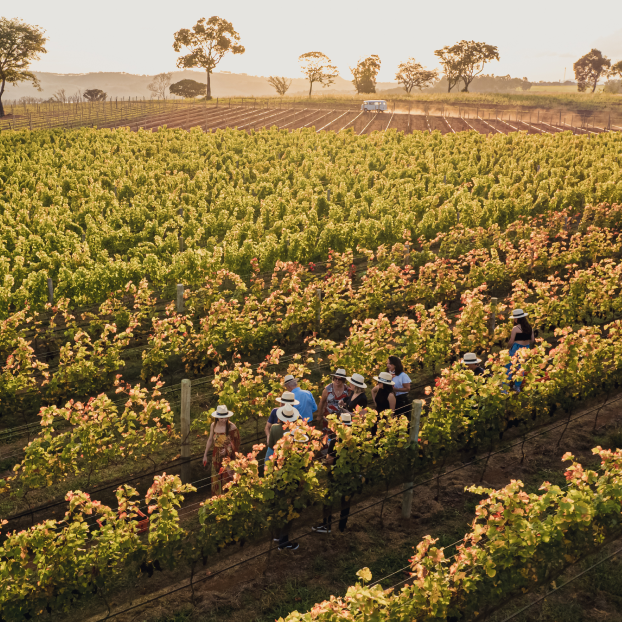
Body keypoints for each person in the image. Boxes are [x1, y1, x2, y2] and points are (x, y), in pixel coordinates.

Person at [313, 412, 354, 534]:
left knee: (328, 497)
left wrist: (325, 460)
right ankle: (342, 525)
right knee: (346, 499)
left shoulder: (335, 440)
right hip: (350, 473)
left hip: (336, 473)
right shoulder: (355, 439)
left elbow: (330, 460)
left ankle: (327, 525)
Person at [202, 405, 241, 496]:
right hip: (216, 456)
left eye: (225, 417)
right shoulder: (213, 425)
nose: (223, 420)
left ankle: (228, 500)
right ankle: (217, 500)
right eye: (221, 418)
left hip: (228, 458)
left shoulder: (232, 427)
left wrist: (228, 451)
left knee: (227, 478)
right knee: (216, 478)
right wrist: (205, 455)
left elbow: (236, 443)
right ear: (217, 417)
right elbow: (210, 440)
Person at [506, 309, 535, 390]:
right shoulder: (530, 328)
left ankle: (505, 386)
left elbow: (511, 341)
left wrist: (507, 348)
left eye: (515, 318)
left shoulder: (515, 328)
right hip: (526, 349)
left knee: (509, 366)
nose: (514, 320)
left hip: (516, 348)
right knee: (521, 368)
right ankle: (517, 386)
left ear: (517, 319)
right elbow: (532, 340)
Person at [265, 397, 300, 462]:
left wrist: (267, 464)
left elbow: (270, 450)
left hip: (278, 455)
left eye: (283, 404)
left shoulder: (274, 427)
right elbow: (267, 427)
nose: (281, 405)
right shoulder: (297, 422)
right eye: (281, 403)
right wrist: (268, 436)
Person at [318, 369, 352, 433]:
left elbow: (350, 403)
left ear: (343, 380)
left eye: (340, 379)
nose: (337, 380)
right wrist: (319, 415)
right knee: (327, 437)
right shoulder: (328, 389)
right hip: (328, 419)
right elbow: (322, 401)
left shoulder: (347, 390)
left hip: (342, 419)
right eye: (335, 378)